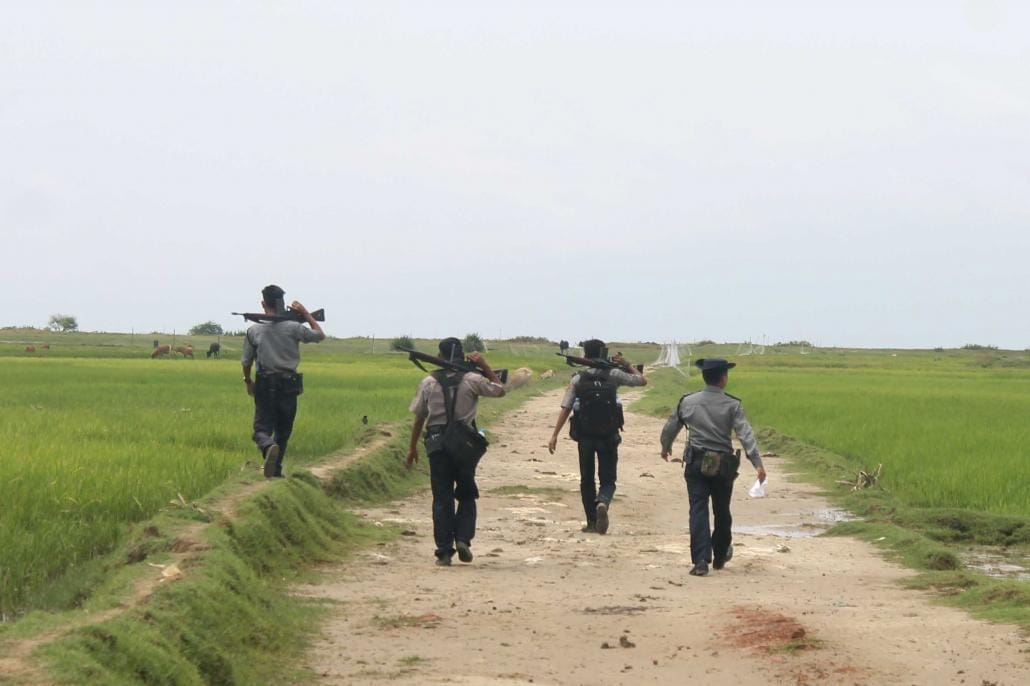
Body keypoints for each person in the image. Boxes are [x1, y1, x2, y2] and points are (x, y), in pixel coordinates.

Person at [660, 358, 767, 576]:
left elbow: (672, 426)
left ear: (704, 377)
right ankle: (719, 555)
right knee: (721, 509)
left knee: (698, 508)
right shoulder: (732, 404)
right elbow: (745, 435)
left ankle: (700, 560)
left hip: (696, 463)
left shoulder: (687, 401)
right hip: (723, 466)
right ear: (723, 378)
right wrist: (757, 463)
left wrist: (666, 447)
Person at [406, 338, 506, 566]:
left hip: (436, 443)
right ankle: (463, 539)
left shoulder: (429, 382)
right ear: (463, 357)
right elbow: (500, 390)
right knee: (467, 493)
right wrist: (486, 366)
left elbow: (419, 417)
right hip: (464, 445)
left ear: (440, 357)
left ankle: (443, 551)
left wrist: (412, 448)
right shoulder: (473, 379)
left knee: (441, 496)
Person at [547, 339, 646, 534]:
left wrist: (554, 435)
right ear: (603, 353)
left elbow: (566, 407)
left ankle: (592, 522)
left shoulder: (578, 379)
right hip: (609, 435)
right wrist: (626, 364)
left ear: (584, 355)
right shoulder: (614, 374)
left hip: (585, 436)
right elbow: (641, 381)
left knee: (586, 479)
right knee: (608, 479)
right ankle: (603, 501)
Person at [241, 285, 325, 478]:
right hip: (290, 384)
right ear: (282, 303)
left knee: (260, 430)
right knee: (283, 431)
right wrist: (305, 313)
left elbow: (246, 362)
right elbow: (320, 335)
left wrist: (247, 381)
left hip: (265, 383)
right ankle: (276, 471)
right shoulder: (294, 327)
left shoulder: (254, 330)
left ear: (263, 303)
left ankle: (268, 446)